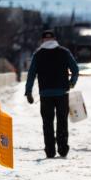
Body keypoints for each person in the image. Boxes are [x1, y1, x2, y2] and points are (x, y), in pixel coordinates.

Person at [25, 28, 79, 159]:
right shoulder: (64, 52)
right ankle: (63, 149)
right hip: (62, 93)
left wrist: (28, 92)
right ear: (55, 39)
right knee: (62, 121)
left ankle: (50, 150)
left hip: (45, 94)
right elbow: (75, 69)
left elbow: (31, 74)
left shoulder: (38, 54)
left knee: (47, 122)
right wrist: (72, 82)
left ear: (42, 40)